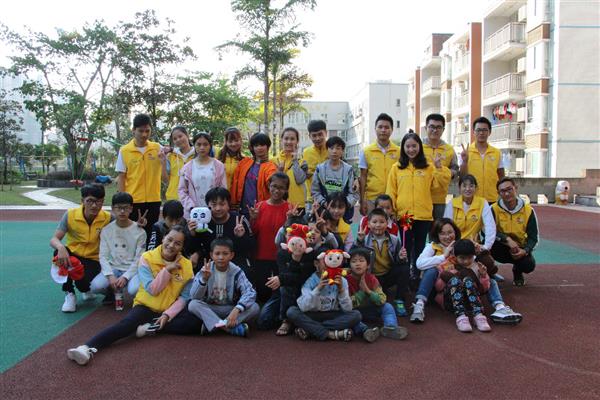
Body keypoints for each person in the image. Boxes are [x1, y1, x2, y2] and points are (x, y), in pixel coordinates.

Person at [66, 226, 202, 366]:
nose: (171, 245)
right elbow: (152, 289)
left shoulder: (186, 266)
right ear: (163, 238)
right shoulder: (147, 258)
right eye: (170, 239)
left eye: (178, 243)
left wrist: (167, 315)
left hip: (168, 310)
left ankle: (149, 327)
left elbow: (184, 297)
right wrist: (167, 270)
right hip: (146, 306)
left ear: (182, 247)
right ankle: (86, 348)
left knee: (195, 322)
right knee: (125, 325)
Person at [386, 132, 451, 282]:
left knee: (421, 247)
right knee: (406, 245)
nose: (411, 149)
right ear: (403, 148)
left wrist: (439, 168)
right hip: (405, 215)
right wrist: (392, 210)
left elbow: (439, 186)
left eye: (414, 146)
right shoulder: (397, 168)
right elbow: (391, 191)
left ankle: (417, 275)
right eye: (407, 146)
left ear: (419, 147)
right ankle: (406, 276)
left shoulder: (428, 167)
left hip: (424, 215)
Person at [50, 183, 112, 313]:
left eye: (99, 201)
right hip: (73, 255)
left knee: (85, 285)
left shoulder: (108, 218)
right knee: (58, 253)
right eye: (90, 201)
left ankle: (86, 291)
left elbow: (125, 226)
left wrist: (138, 225)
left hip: (93, 259)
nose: (94, 205)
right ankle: (69, 294)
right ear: (82, 200)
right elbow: (54, 239)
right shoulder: (70, 215)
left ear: (103, 201)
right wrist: (61, 247)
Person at [187, 238, 259, 337]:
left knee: (255, 307)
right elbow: (194, 296)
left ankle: (213, 324)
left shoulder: (237, 271)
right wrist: (204, 280)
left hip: (230, 309)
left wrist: (237, 310)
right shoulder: (206, 270)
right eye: (217, 254)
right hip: (211, 308)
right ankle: (228, 328)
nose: (221, 257)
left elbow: (250, 292)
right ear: (211, 255)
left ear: (231, 255)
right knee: (193, 304)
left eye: (225, 254)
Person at [286, 252, 361, 341]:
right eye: (326, 260)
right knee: (292, 312)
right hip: (313, 315)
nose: (329, 264)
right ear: (316, 263)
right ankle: (331, 334)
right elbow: (303, 307)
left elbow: (347, 309)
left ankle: (311, 330)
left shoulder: (342, 280)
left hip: (332, 315)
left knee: (356, 315)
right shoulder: (310, 281)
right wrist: (318, 289)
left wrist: (341, 290)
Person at [258, 223, 317, 334]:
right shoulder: (282, 252)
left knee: (286, 285)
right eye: (290, 235)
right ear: (286, 236)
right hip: (283, 291)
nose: (296, 241)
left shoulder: (310, 254)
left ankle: (287, 320)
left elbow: (303, 278)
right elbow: (284, 274)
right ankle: (289, 317)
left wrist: (282, 278)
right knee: (263, 321)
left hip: (303, 290)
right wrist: (283, 277)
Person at [116, 113, 165, 237]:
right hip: (133, 201)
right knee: (132, 234)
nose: (144, 134)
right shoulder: (125, 150)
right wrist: (122, 201)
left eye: (147, 131)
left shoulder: (157, 148)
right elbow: (121, 176)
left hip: (154, 200)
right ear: (133, 130)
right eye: (141, 131)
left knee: (151, 233)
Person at [354, 208, 410, 317]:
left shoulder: (394, 240)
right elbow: (354, 256)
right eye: (374, 222)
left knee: (404, 268)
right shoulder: (364, 240)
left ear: (387, 223)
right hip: (372, 277)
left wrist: (401, 257)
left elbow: (399, 261)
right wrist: (359, 241)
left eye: (382, 222)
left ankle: (399, 300)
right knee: (374, 302)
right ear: (368, 224)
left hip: (388, 275)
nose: (378, 225)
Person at [91, 192, 146, 302]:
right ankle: (112, 292)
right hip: (114, 268)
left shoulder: (140, 232)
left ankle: (138, 298)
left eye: (125, 208)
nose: (122, 211)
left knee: (134, 289)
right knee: (95, 287)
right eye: (118, 208)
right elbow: (103, 256)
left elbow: (139, 258)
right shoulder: (106, 230)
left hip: (133, 269)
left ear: (131, 209)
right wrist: (110, 275)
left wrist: (126, 276)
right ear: (112, 208)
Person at [347, 247, 408, 342]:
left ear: (368, 265)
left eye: (361, 261)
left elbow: (382, 299)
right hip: (355, 312)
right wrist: (362, 293)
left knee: (387, 307)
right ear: (350, 266)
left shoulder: (371, 278)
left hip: (371, 310)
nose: (358, 264)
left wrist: (368, 291)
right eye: (354, 261)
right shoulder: (346, 280)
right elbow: (347, 305)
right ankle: (365, 331)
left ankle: (390, 327)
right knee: (350, 316)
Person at [248, 172, 291, 303]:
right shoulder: (260, 206)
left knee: (281, 292)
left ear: (286, 190)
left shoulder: (290, 208)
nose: (277, 190)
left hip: (282, 257)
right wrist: (253, 219)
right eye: (274, 186)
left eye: (281, 188)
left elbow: (291, 235)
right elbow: (253, 232)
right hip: (261, 256)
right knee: (262, 290)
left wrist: (291, 220)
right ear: (269, 186)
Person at [188, 187, 254, 272]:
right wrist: (192, 234)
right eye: (214, 204)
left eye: (222, 204)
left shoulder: (240, 220)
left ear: (228, 205)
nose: (218, 208)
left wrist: (241, 237)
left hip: (235, 262)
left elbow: (251, 247)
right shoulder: (201, 221)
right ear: (208, 206)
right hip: (209, 263)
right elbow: (193, 247)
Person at [443, 174, 497, 274]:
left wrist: (486, 247)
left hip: (474, 245)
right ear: (459, 188)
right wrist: (450, 247)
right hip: (456, 245)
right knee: (453, 269)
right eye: (464, 186)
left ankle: (488, 276)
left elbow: (490, 226)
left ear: (476, 188)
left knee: (488, 263)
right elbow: (446, 227)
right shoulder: (452, 203)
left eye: (471, 186)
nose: (468, 189)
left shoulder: (482, 203)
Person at [434, 239, 492, 333]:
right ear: (455, 256)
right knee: (455, 280)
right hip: (451, 302)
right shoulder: (447, 265)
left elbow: (484, 289)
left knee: (468, 280)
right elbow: (438, 287)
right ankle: (461, 316)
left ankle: (478, 315)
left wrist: (483, 276)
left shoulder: (477, 266)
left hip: (469, 303)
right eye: (462, 258)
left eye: (470, 257)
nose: (466, 261)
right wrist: (450, 274)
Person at [491, 177, 538, 286]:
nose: (507, 193)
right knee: (483, 252)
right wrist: (507, 239)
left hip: (518, 248)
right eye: (503, 191)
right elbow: (487, 232)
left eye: (509, 189)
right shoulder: (493, 209)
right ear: (498, 193)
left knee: (528, 265)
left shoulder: (528, 210)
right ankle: (489, 273)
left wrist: (525, 251)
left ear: (515, 188)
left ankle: (517, 271)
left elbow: (533, 238)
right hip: (499, 245)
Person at [359, 113, 401, 216]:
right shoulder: (366, 151)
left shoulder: (399, 151)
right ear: (375, 129)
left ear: (392, 130)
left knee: (392, 225)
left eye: (387, 127)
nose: (383, 130)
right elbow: (363, 177)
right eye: (380, 127)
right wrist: (362, 200)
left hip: (393, 198)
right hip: (372, 199)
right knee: (372, 224)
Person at [178, 132, 227, 219]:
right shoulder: (187, 167)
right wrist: (191, 207)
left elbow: (223, 189)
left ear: (210, 146)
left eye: (205, 144)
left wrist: (217, 206)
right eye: (198, 144)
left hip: (214, 212)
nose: (202, 147)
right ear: (194, 145)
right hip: (194, 213)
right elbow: (182, 190)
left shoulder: (219, 166)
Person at [459, 116, 507, 203]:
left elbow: (501, 175)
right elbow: (462, 176)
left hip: (492, 198)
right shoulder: (466, 152)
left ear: (489, 132)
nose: (481, 133)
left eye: (485, 130)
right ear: (473, 132)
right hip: (471, 198)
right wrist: (465, 161)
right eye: (478, 130)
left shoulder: (496, 152)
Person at [311, 136, 358, 223]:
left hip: (344, 214)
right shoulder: (320, 169)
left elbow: (354, 194)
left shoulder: (349, 170)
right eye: (331, 148)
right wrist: (325, 203)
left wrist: (343, 206)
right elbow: (315, 191)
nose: (334, 151)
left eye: (338, 148)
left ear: (342, 151)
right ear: (327, 150)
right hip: (324, 212)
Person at [422, 114, 459, 220]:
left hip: (440, 198)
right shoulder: (418, 147)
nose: (435, 130)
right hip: (420, 197)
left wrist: (445, 172)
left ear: (443, 129)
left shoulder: (449, 149)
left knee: (438, 228)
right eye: (432, 127)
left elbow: (455, 169)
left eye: (438, 127)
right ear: (426, 128)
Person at [231, 132, 277, 216]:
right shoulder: (244, 162)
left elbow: (271, 183)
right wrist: (233, 204)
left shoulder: (271, 166)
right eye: (256, 145)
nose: (259, 148)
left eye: (262, 145)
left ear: (267, 147)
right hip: (242, 209)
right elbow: (235, 183)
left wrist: (278, 175)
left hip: (261, 210)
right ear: (252, 148)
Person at [273, 127, 308, 211]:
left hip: (297, 206)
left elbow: (300, 180)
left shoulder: (302, 162)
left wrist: (295, 160)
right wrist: (279, 171)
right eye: (286, 138)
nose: (289, 142)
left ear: (297, 141)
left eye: (292, 139)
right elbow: (272, 184)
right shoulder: (273, 161)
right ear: (281, 140)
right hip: (278, 203)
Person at [303, 120, 329, 211]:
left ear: (326, 133)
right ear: (309, 136)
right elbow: (304, 174)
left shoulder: (332, 149)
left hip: (331, 196)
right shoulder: (306, 152)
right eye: (314, 135)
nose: (317, 138)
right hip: (312, 198)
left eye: (320, 134)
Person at [164, 126, 195, 201]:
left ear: (187, 135)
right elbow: (166, 180)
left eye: (180, 136)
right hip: (174, 198)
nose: (178, 140)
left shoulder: (198, 155)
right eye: (175, 139)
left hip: (193, 198)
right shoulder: (170, 156)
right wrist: (162, 161)